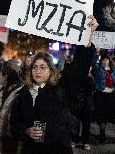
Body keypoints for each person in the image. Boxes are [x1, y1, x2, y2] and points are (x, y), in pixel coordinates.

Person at [10, 16, 98, 154]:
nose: (38, 71)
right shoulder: (23, 94)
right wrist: (26, 131)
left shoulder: (61, 88)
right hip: (32, 150)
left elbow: (79, 68)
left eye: (42, 67)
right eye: (35, 67)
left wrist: (88, 35)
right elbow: (15, 124)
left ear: (51, 70)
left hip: (59, 149)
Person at [92, 53, 115, 143]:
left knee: (107, 115)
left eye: (107, 60)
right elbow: (93, 63)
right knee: (101, 115)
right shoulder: (98, 68)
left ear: (109, 61)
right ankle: (102, 133)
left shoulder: (113, 70)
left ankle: (102, 132)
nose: (105, 61)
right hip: (101, 95)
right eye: (103, 60)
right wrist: (96, 53)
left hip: (110, 96)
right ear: (101, 61)